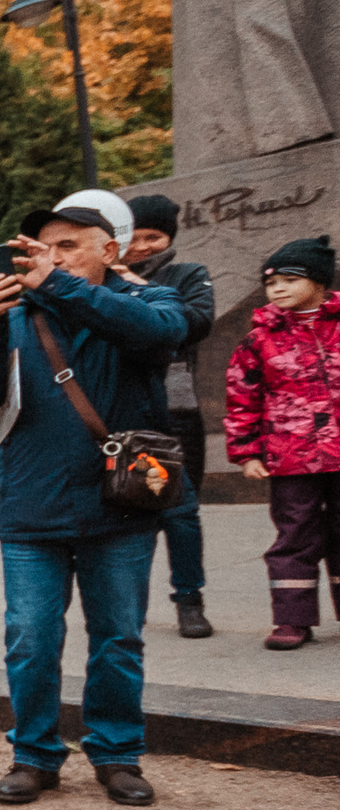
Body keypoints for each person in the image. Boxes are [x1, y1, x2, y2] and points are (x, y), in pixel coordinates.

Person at [0, 204, 188, 808]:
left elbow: (161, 334)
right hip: (32, 504)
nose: (49, 258)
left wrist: (56, 285)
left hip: (121, 507)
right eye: (42, 248)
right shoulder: (17, 314)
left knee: (117, 638)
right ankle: (34, 755)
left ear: (110, 252)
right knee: (30, 637)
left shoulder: (145, 303)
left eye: (67, 246)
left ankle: (116, 755)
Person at [224, 235, 340, 650]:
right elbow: (242, 396)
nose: (279, 290)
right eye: (271, 284)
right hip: (292, 457)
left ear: (321, 282)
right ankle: (292, 619)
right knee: (296, 534)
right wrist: (247, 452)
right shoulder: (260, 339)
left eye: (290, 280)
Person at [124, 194, 222, 637]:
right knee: (128, 511)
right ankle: (128, 602)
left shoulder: (187, 275)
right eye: (134, 236)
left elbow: (196, 322)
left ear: (170, 237)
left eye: (154, 236)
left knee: (180, 511)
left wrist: (136, 288)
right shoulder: (99, 280)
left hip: (176, 410)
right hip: (122, 410)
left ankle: (189, 599)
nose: (142, 246)